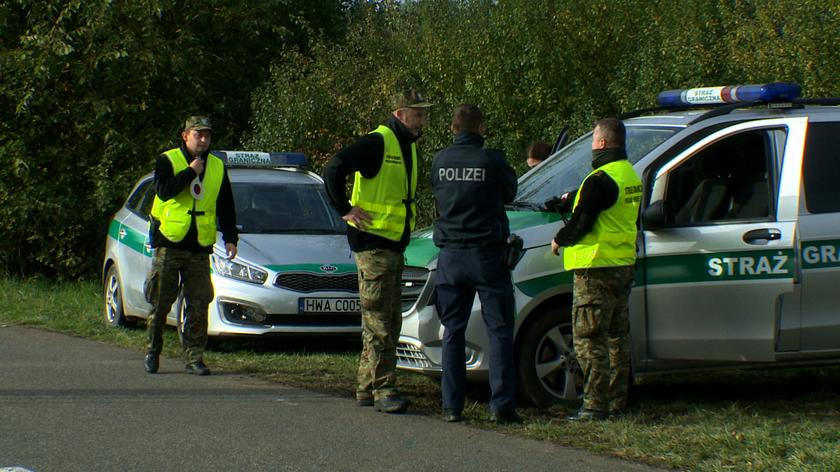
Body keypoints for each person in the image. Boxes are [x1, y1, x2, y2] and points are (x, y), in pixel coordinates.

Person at [323, 89, 431, 414]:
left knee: (384, 321)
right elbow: (334, 167)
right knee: (381, 322)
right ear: (400, 113)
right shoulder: (378, 142)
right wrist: (345, 209)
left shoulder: (405, 145)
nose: (423, 119)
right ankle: (385, 390)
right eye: (418, 112)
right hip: (373, 246)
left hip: (391, 245)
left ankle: (366, 387)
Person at [431, 104, 519, 423]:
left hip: (451, 256)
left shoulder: (439, 160)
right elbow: (510, 191)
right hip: (486, 255)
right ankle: (502, 405)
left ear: (453, 129)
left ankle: (452, 406)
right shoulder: (491, 160)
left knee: (452, 330)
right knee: (499, 329)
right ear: (480, 128)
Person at [550, 117, 641, 420]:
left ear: (601, 142)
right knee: (617, 338)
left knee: (590, 339)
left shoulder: (599, 179)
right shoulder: (629, 174)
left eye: (592, 140)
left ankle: (593, 405)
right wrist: (571, 200)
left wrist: (559, 238)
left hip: (595, 268)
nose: (592, 145)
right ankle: (617, 402)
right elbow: (606, 209)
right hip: (623, 264)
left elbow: (583, 224)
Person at [143, 115, 238, 376]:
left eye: (207, 135)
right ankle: (153, 350)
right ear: (186, 136)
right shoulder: (168, 160)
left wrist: (231, 237)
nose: (204, 140)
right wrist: (190, 172)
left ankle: (194, 357)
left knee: (198, 303)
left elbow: (226, 204)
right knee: (161, 300)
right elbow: (164, 191)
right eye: (199, 135)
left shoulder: (218, 166)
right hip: (171, 241)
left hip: (200, 245)